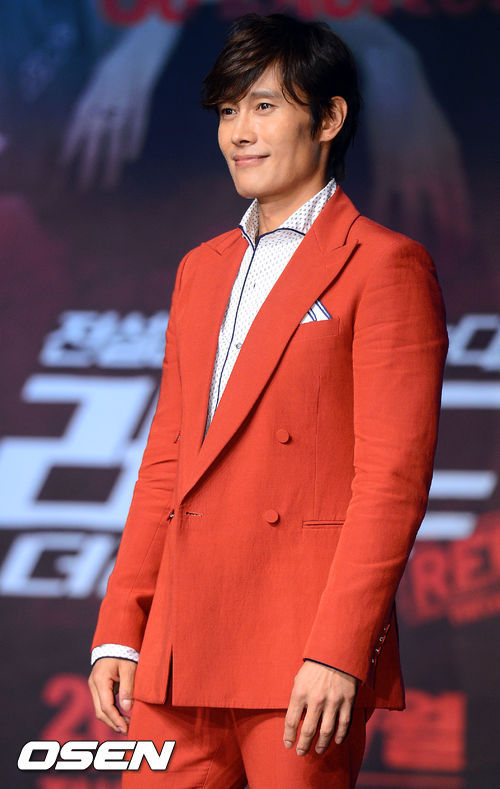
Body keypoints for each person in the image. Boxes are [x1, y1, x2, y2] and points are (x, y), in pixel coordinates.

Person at [88, 13, 449, 788]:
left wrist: (339, 648)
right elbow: (167, 462)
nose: (239, 133)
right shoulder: (201, 268)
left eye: (263, 106)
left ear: (329, 117)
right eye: (228, 110)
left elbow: (390, 482)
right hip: (178, 647)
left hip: (299, 650)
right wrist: (121, 628)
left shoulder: (384, 265)